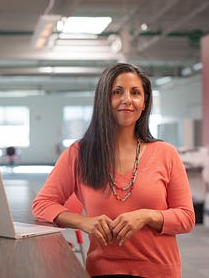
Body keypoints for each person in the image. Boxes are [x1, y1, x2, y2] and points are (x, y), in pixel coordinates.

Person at [32, 63, 195, 278]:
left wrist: (147, 216)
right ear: (104, 100)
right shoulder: (79, 153)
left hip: (159, 271)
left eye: (135, 93)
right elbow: (42, 204)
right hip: (103, 270)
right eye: (117, 92)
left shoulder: (166, 153)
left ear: (144, 103)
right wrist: (83, 222)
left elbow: (186, 218)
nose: (127, 99)